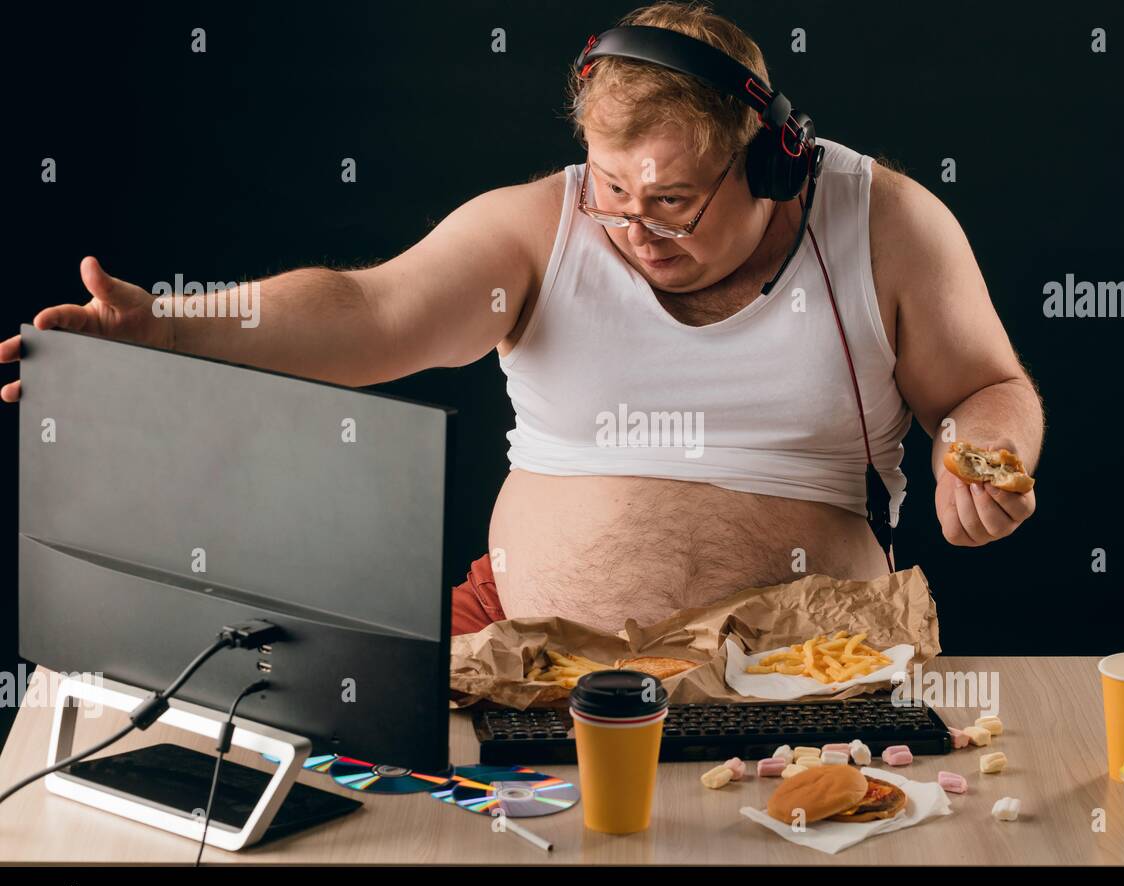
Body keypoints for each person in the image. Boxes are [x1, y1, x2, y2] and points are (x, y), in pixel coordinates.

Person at [2, 2, 1042, 637]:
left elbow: (987, 391)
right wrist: (174, 326)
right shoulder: (542, 226)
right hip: (521, 648)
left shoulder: (886, 225)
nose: (636, 227)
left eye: (672, 199)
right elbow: (369, 306)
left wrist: (982, 449)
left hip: (804, 661)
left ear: (770, 158)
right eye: (613, 190)